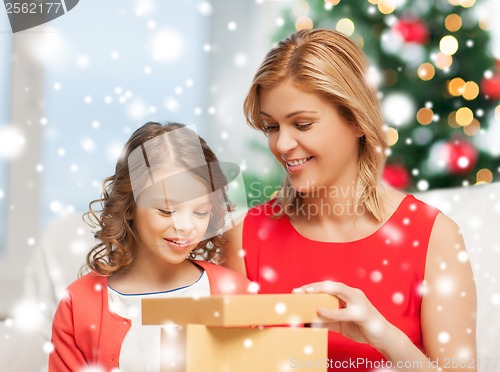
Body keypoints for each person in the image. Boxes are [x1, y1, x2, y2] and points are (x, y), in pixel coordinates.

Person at [223, 29, 477, 371]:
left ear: (356, 120)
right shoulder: (245, 239)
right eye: (271, 127)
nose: (282, 145)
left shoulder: (434, 237)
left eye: (302, 124)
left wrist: (385, 338)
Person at [49, 122, 252, 371]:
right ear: (130, 206)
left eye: (200, 212)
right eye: (166, 210)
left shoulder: (236, 294)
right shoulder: (78, 305)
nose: (185, 226)